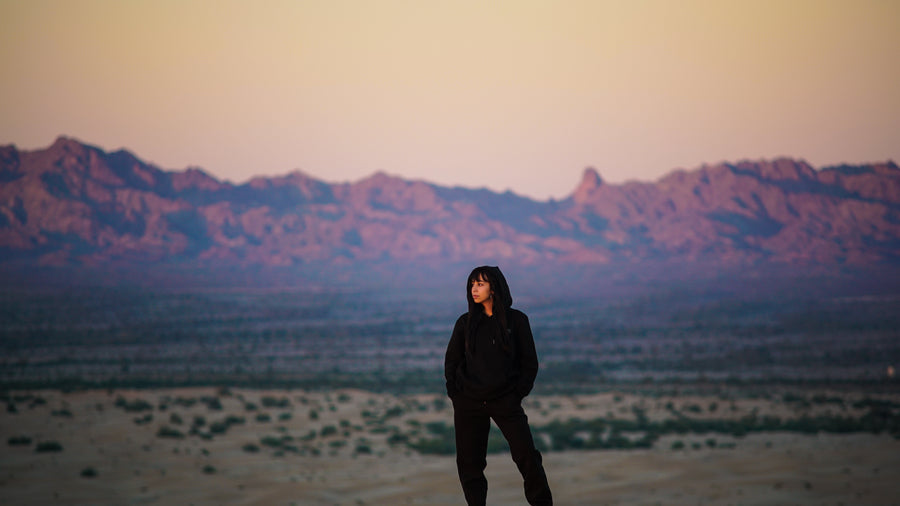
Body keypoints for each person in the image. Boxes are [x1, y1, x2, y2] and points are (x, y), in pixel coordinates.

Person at [444, 265, 553, 506]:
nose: (474, 289)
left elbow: (529, 363)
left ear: (494, 288)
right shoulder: (465, 323)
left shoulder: (517, 320)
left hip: (505, 400)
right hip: (469, 402)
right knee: (469, 464)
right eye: (472, 284)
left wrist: (516, 395)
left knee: (527, 456)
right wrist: (456, 395)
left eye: (480, 284)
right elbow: (452, 361)